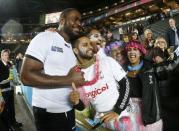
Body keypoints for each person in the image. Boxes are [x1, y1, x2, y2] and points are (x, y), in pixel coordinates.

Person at [20, 8, 85, 131]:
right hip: (49, 113)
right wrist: (68, 79)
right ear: (62, 20)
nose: (79, 23)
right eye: (75, 19)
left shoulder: (71, 47)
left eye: (80, 21)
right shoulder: (45, 37)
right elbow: (26, 76)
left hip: (69, 110)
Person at [71, 36, 130, 130]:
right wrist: (76, 102)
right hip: (101, 120)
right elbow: (83, 106)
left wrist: (118, 111)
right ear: (76, 50)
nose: (90, 47)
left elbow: (126, 84)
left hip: (122, 116)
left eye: (90, 43)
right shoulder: (75, 75)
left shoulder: (107, 61)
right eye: (85, 45)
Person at [124, 41, 163, 131]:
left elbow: (165, 73)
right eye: (129, 50)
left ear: (140, 52)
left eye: (135, 49)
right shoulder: (122, 70)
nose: (132, 52)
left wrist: (160, 63)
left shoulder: (150, 67)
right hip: (130, 115)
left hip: (150, 113)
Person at [0, 49, 22, 131]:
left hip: (11, 89)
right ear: (1, 56)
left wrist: (16, 80)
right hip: (3, 91)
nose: (7, 56)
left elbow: (14, 75)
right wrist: (8, 79)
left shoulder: (10, 64)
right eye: (5, 55)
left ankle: (13, 122)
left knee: (12, 107)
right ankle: (8, 126)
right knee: (5, 109)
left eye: (7, 55)